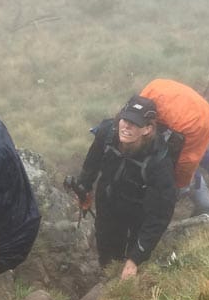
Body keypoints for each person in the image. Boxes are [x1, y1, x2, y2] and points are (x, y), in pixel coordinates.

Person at [69, 95, 177, 280]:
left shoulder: (158, 163)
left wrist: (135, 258)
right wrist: (84, 188)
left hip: (140, 210)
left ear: (148, 129)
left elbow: (160, 215)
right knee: (107, 248)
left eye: (134, 123)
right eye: (124, 120)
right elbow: (92, 163)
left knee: (134, 258)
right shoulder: (107, 133)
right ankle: (108, 275)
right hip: (108, 201)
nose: (126, 126)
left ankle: (125, 284)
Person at [137, 78, 209, 190]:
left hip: (177, 167)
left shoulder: (191, 131)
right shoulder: (194, 129)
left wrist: (178, 186)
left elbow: (191, 160)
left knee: (204, 202)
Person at [187, 149, 209, 217]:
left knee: (207, 206)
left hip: (193, 178)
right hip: (168, 178)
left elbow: (202, 151)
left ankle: (189, 225)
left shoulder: (193, 141)